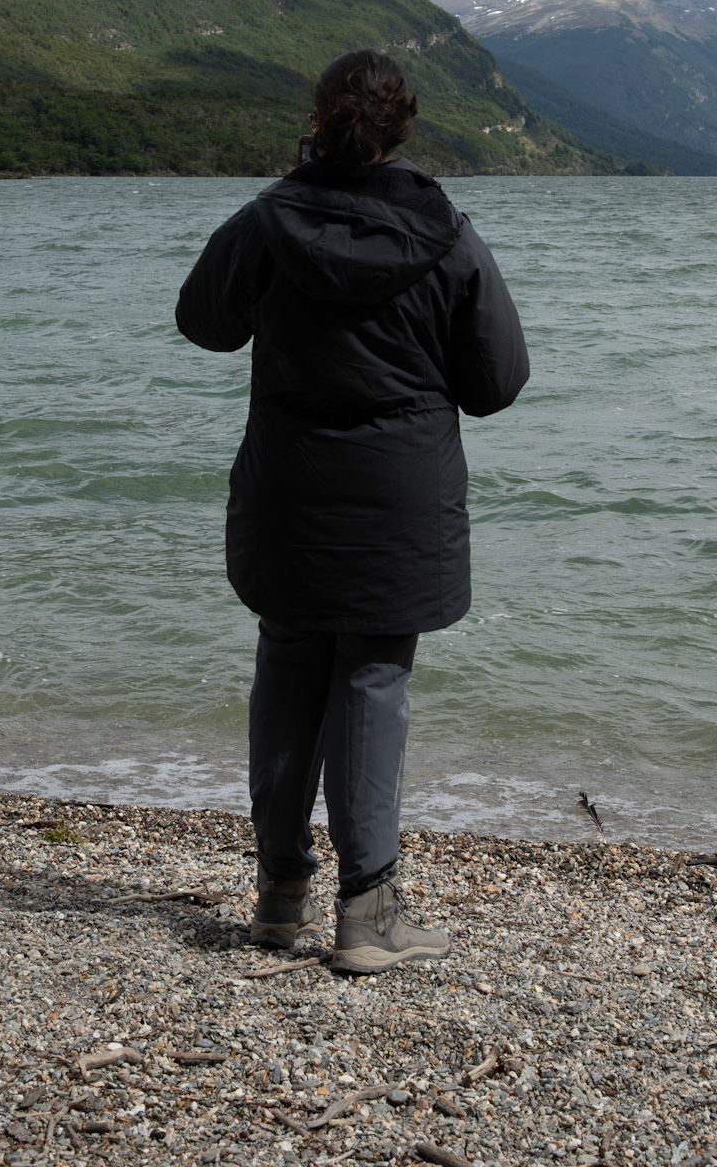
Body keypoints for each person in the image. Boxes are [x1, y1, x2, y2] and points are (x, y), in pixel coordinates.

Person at [175, 47, 529, 973]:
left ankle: (278, 895)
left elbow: (204, 324)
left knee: (288, 660)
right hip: (398, 487)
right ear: (403, 124)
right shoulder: (446, 233)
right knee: (373, 675)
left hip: (289, 480)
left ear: (318, 118)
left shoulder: (269, 219)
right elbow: (496, 383)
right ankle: (368, 914)